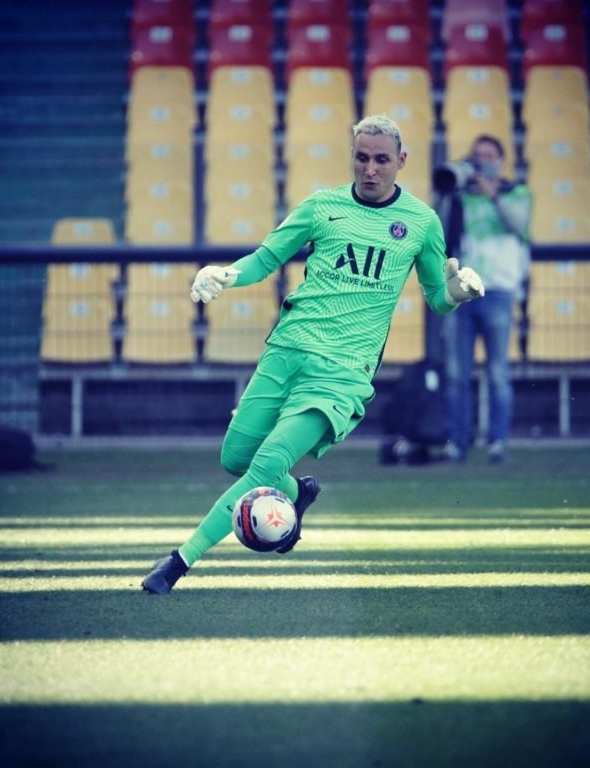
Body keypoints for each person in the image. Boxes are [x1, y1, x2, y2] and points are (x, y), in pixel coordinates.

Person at [141, 114, 485, 595]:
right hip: (287, 351)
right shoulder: (322, 206)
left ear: (401, 161)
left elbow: (436, 298)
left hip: (342, 373)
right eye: (362, 158)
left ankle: (177, 563)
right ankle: (296, 493)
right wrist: (226, 274)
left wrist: (457, 294)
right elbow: (265, 259)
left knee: (265, 463)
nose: (370, 169)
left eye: (381, 160)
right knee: (236, 457)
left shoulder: (422, 223)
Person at [433, 134, 531, 464]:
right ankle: (457, 442)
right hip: (461, 292)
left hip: (499, 290)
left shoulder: (516, 192)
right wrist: (447, 192)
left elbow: (518, 224)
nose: (482, 162)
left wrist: (493, 194)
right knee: (457, 374)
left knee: (497, 372)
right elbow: (437, 228)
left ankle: (498, 440)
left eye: (489, 156)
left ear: (501, 161)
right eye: (477, 156)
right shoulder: (461, 197)